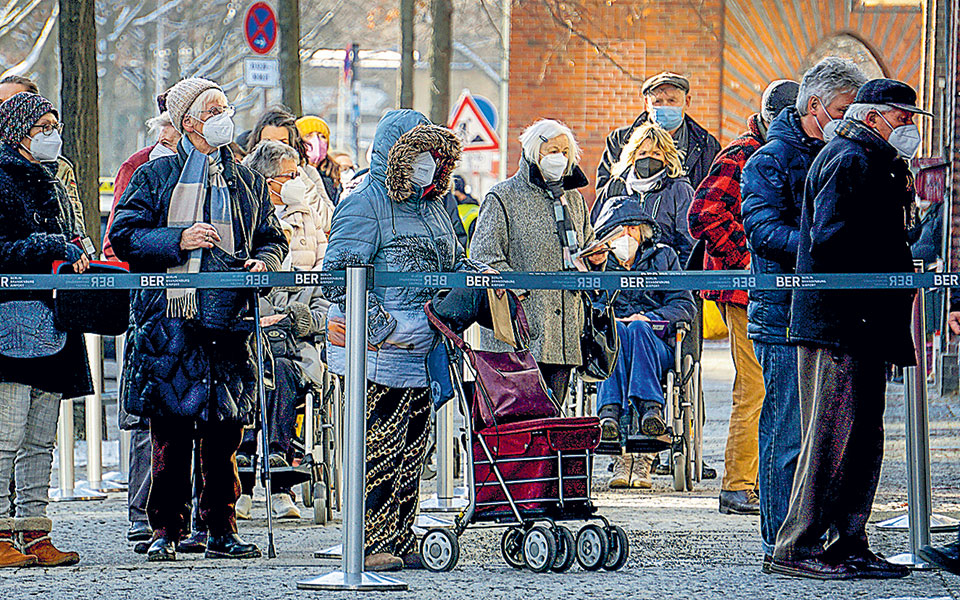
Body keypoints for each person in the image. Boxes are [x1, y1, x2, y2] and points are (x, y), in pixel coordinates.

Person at [110, 77, 288, 563]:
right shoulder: (155, 175)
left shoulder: (247, 179)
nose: (223, 115)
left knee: (224, 437)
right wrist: (179, 238)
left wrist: (264, 265)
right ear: (188, 121)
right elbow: (125, 236)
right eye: (213, 109)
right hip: (170, 325)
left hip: (228, 325)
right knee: (169, 437)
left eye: (226, 107)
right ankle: (164, 529)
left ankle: (221, 530)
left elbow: (272, 238)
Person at [769, 79, 927, 581]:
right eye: (903, 118)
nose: (909, 128)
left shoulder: (877, 162)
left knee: (861, 440)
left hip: (863, 324)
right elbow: (831, 241)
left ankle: (848, 541)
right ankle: (799, 545)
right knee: (830, 438)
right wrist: (886, 267)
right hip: (839, 324)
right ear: (874, 116)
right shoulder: (849, 158)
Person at [321, 109, 487, 572]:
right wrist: (381, 330)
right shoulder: (364, 202)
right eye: (418, 153)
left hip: (425, 348)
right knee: (379, 447)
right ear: (397, 155)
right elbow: (338, 277)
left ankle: (400, 533)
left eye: (432, 154)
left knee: (414, 448)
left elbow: (453, 258)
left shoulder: (436, 204)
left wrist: (474, 276)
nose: (427, 163)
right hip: (378, 353)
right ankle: (371, 540)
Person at [741, 57, 865, 536]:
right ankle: (780, 538)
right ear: (814, 105)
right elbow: (762, 230)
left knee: (826, 435)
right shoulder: (770, 159)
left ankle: (816, 535)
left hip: (827, 314)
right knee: (786, 432)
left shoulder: (837, 154)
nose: (849, 119)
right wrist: (824, 248)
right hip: (782, 316)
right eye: (842, 108)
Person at [688, 80, 799, 519]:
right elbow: (702, 213)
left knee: (767, 386)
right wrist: (744, 258)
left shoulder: (767, 148)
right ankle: (738, 485)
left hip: (757, 285)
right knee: (754, 388)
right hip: (742, 289)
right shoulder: (742, 152)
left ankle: (751, 483)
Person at [0, 92, 89, 568]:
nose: (52, 135)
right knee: (5, 435)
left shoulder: (54, 180)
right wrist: (48, 246)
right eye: (43, 126)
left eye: (54, 125)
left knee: (41, 437)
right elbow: (5, 250)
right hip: (10, 327)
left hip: (55, 323)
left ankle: (34, 531)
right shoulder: (1, 179)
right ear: (18, 131)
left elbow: (71, 234)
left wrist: (76, 247)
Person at [471, 119, 602, 402]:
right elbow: (483, 256)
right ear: (533, 152)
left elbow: (585, 247)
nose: (560, 158)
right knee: (520, 421)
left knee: (553, 417)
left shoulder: (574, 200)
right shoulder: (503, 196)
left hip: (565, 332)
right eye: (552, 150)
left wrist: (596, 258)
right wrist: (521, 295)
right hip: (521, 333)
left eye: (566, 152)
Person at [237, 140, 330, 520]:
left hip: (296, 332)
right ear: (266, 181)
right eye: (289, 177)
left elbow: (329, 288)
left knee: (288, 368)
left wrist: (299, 317)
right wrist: (259, 317)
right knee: (253, 364)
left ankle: (279, 463)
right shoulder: (244, 217)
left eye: (298, 175)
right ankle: (241, 469)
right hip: (248, 328)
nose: (297, 182)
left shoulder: (309, 219)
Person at [591, 200, 696, 489]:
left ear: (644, 232)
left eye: (633, 228)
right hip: (614, 350)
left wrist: (650, 317)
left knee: (637, 326)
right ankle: (613, 420)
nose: (626, 234)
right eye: (618, 230)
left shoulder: (664, 257)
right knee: (620, 330)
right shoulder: (599, 264)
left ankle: (649, 414)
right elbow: (586, 308)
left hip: (655, 349)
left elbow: (684, 305)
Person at [596, 72, 721, 204]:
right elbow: (603, 194)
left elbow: (715, 196)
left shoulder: (707, 146)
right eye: (658, 101)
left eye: (672, 101)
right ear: (646, 104)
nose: (665, 106)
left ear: (687, 101)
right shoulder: (620, 140)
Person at [596, 122, 695, 264]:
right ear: (633, 156)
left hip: (662, 276)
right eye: (643, 153)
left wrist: (677, 278)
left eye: (656, 153)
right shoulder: (615, 187)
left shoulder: (679, 190)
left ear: (666, 159)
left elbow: (689, 244)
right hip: (619, 275)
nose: (649, 158)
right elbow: (597, 234)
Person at [0, 75, 85, 236]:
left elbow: (74, 226)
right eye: (0, 103)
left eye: (14, 100)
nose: (4, 109)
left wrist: (75, 249)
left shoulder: (57, 171)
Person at [104, 110, 181, 261]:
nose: (160, 149)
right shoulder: (138, 166)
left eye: (166, 144)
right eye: (161, 142)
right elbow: (116, 238)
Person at [248, 108, 334, 235]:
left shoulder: (307, 173)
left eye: (283, 142)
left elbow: (328, 221)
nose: (275, 148)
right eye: (268, 142)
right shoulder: (246, 173)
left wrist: (296, 176)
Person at [296, 116, 341, 204]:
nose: (316, 141)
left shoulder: (334, 173)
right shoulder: (293, 172)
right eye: (308, 136)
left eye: (322, 136)